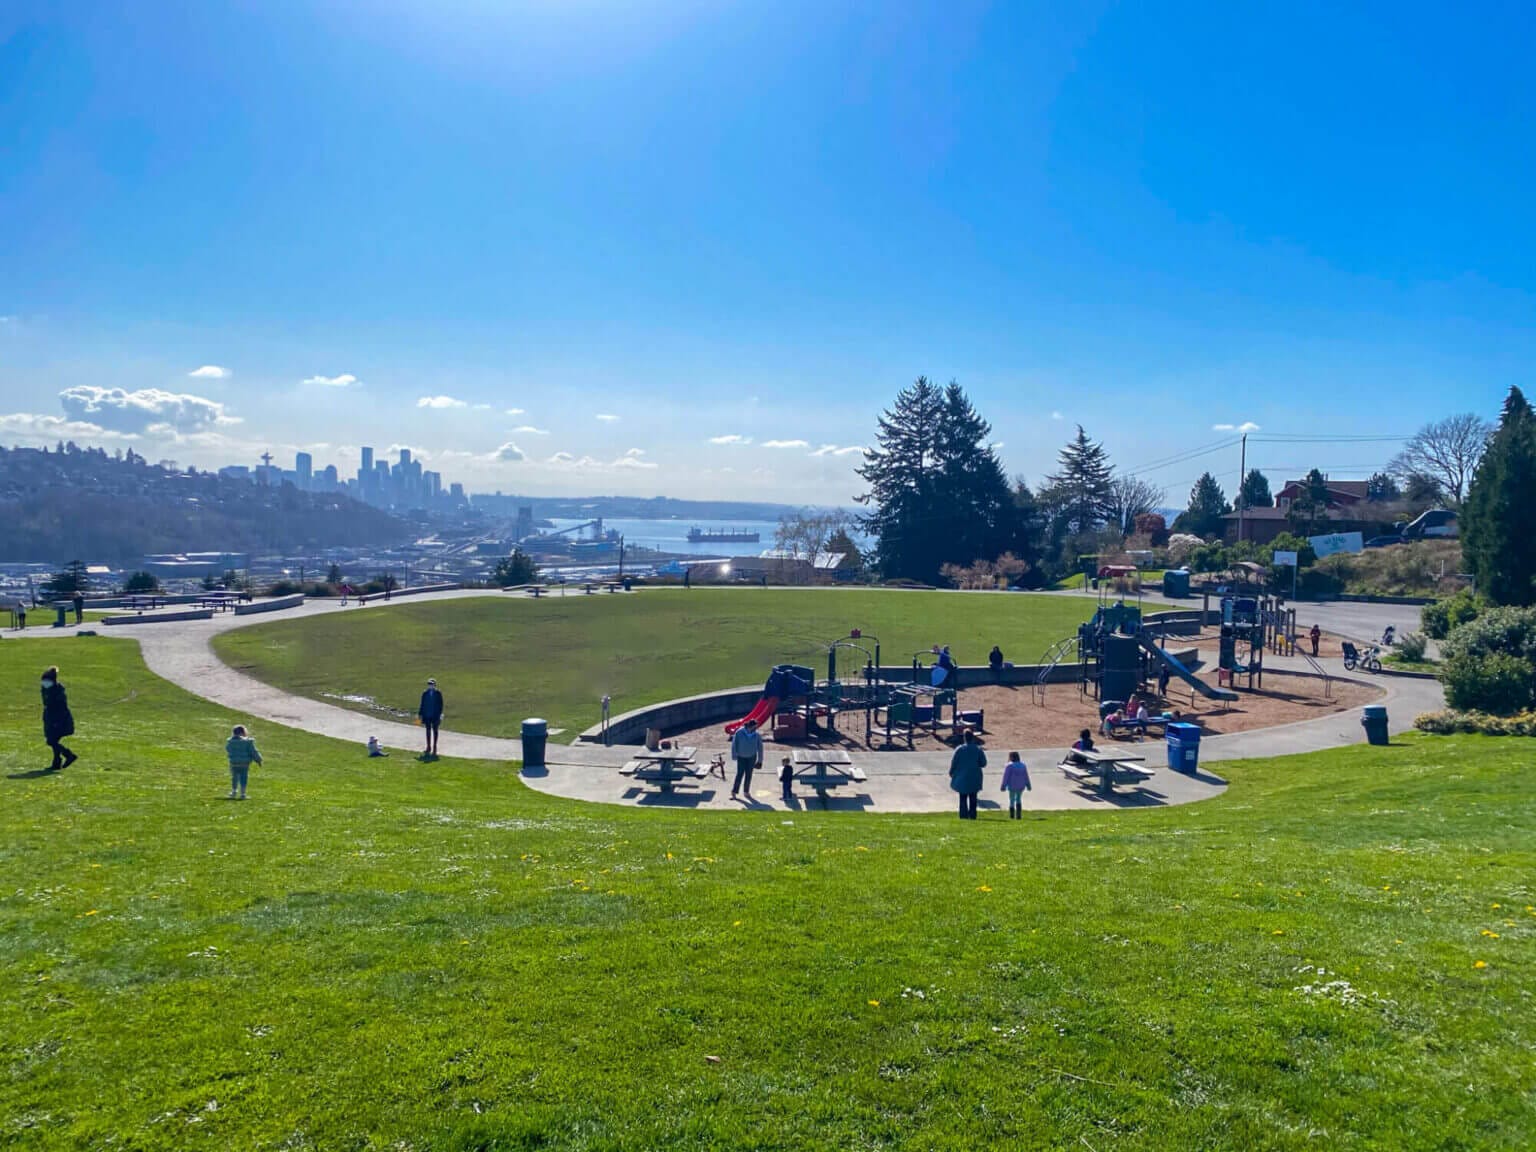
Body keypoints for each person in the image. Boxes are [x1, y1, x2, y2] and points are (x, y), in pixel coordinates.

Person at [40, 666, 77, 771]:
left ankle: (69, 755)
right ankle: (57, 762)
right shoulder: (46, 690)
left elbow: (60, 708)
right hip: (51, 718)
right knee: (53, 740)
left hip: (59, 720)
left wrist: (56, 722)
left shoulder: (57, 691)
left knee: (52, 741)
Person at [948, 730, 986, 819]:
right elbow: (983, 763)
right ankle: (972, 815)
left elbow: (954, 762)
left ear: (964, 738)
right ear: (973, 738)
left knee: (963, 797)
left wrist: (951, 771)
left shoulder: (960, 749)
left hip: (962, 776)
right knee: (973, 797)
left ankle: (963, 815)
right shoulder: (978, 749)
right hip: (975, 776)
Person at [225, 724, 262, 799]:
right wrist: (258, 760)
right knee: (243, 777)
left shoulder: (230, 742)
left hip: (234, 763)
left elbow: (228, 749)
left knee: (234, 777)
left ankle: (234, 791)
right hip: (244, 763)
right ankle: (243, 793)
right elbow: (253, 752)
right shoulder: (248, 742)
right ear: (243, 732)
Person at [729, 718, 763, 800]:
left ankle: (746, 791)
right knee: (739, 774)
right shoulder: (739, 732)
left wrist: (760, 760)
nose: (756, 728)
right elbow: (734, 744)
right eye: (755, 727)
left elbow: (760, 747)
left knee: (749, 775)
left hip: (752, 757)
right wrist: (734, 755)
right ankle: (734, 792)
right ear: (750, 726)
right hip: (741, 757)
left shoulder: (757, 735)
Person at [1000, 751, 1030, 819]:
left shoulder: (1009, 766)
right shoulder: (1023, 765)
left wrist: (1003, 785)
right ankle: (1019, 815)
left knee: (1012, 800)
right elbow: (1026, 776)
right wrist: (1028, 785)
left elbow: (1006, 777)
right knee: (1019, 799)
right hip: (1021, 785)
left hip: (1012, 785)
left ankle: (1012, 815)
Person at [418, 678, 444, 758]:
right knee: (428, 731)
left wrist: (440, 715)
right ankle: (428, 746)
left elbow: (441, 704)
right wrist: (420, 713)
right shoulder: (425, 693)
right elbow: (422, 703)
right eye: (429, 684)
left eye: (432, 684)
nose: (430, 686)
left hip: (435, 715)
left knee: (435, 731)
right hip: (427, 715)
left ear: (434, 685)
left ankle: (435, 747)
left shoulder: (438, 693)